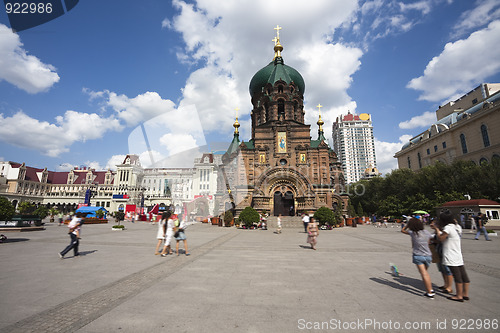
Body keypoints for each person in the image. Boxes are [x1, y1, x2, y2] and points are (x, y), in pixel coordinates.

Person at [432, 212, 470, 302]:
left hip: (450, 254)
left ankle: (459, 295)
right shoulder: (457, 227)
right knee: (463, 274)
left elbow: (441, 239)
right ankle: (465, 294)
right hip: (457, 253)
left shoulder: (448, 228)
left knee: (457, 275)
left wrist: (437, 230)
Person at [401, 218, 435, 298]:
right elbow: (431, 239)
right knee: (425, 273)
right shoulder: (426, 232)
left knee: (424, 273)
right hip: (428, 255)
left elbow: (402, 230)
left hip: (418, 256)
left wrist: (406, 225)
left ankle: (429, 291)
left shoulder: (412, 233)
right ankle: (430, 288)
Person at [430, 226, 453, 294]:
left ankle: (449, 287)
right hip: (438, 252)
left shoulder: (444, 231)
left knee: (447, 270)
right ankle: (445, 284)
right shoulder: (436, 232)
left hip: (445, 252)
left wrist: (437, 230)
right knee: (442, 269)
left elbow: (440, 240)